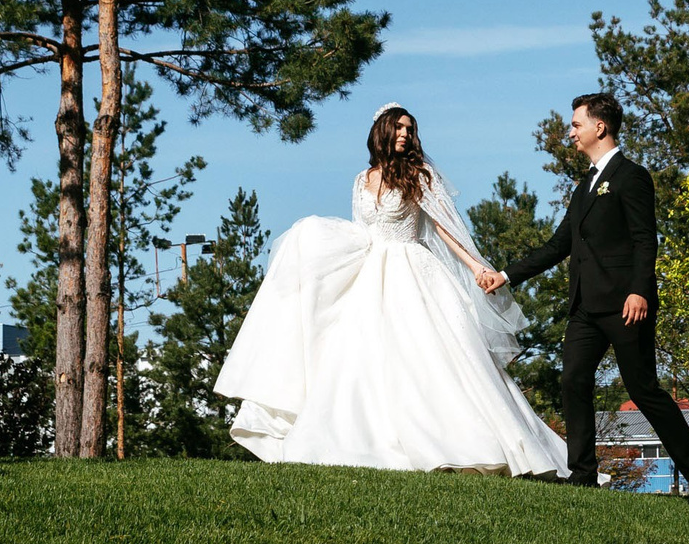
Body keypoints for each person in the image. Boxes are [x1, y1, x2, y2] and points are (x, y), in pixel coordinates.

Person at [215, 105, 570, 475]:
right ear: (381, 131)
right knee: (361, 359)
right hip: (370, 275)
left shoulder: (421, 175)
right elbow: (359, 229)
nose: (404, 134)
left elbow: (445, 228)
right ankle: (364, 440)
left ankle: (458, 441)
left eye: (410, 129)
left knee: (429, 356)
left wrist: (477, 267)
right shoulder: (361, 179)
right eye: (398, 127)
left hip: (413, 272)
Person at [484, 92, 689, 508]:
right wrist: (505, 275)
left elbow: (643, 240)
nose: (571, 132)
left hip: (626, 305)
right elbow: (558, 244)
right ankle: (582, 477)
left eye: (576, 124)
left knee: (644, 389)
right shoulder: (583, 188)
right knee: (573, 381)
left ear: (600, 127)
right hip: (584, 308)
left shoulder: (632, 176)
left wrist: (639, 290)